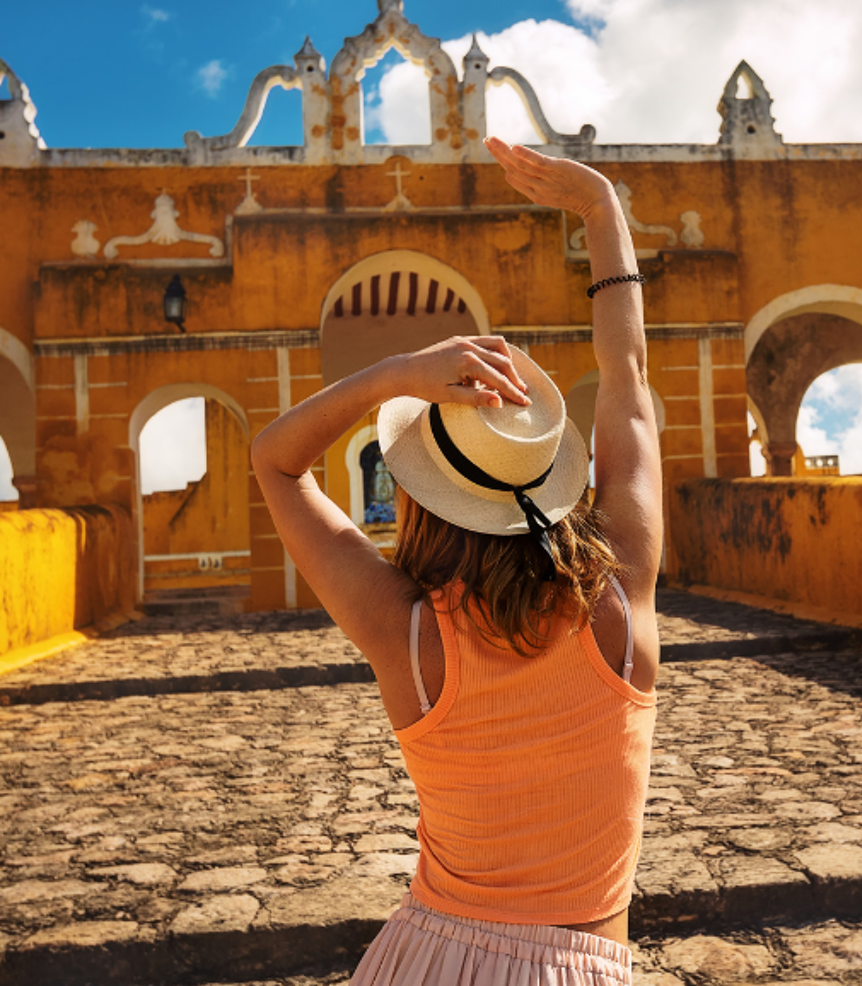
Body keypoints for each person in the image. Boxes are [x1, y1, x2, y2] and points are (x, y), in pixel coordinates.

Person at [252, 135, 662, 985]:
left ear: (418, 491)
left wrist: (392, 376)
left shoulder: (405, 630)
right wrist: (602, 212)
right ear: (549, 474)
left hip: (424, 957)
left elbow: (276, 460)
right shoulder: (620, 600)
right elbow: (629, 384)